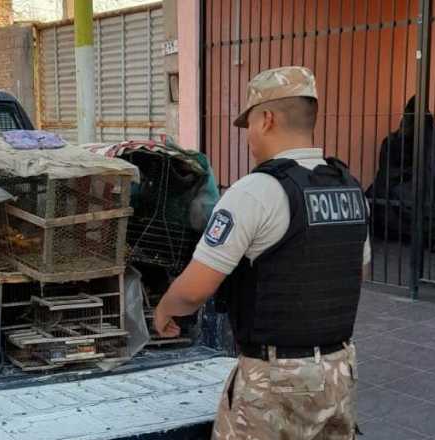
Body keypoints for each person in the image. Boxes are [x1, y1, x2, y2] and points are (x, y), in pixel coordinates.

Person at [153, 66, 370, 440]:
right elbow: (355, 273)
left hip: (275, 378)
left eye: (249, 124)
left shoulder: (256, 191)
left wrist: (164, 310)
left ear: (266, 119)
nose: (249, 137)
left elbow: (194, 290)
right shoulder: (349, 188)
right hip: (338, 370)